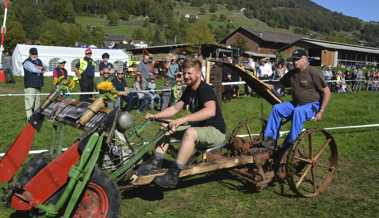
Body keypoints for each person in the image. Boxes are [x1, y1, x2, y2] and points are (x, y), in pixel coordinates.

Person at [136, 58, 226, 188]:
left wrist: (184, 119)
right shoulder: (189, 90)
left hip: (215, 132)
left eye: (189, 73)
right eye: (184, 73)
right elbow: (175, 108)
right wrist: (155, 116)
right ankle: (155, 164)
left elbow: (210, 111)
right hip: (200, 129)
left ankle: (173, 174)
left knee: (190, 132)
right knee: (166, 127)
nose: (186, 76)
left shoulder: (204, 89)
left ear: (198, 73)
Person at [262, 49, 331, 150]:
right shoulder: (292, 73)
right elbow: (279, 84)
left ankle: (290, 142)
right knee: (277, 108)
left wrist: (321, 111)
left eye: (296, 60)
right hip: (296, 103)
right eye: (293, 60)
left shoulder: (313, 72)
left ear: (304, 59)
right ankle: (270, 140)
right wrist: (265, 84)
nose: (294, 62)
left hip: (312, 105)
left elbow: (327, 92)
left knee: (298, 111)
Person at [23, 47, 46, 120]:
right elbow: (33, 70)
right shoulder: (26, 62)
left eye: (36, 54)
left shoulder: (39, 60)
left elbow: (46, 67)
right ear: (29, 54)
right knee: (29, 104)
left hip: (38, 85)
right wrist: (40, 68)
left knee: (37, 104)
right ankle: (29, 119)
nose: (35, 55)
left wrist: (40, 67)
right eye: (33, 54)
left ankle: (35, 118)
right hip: (30, 85)